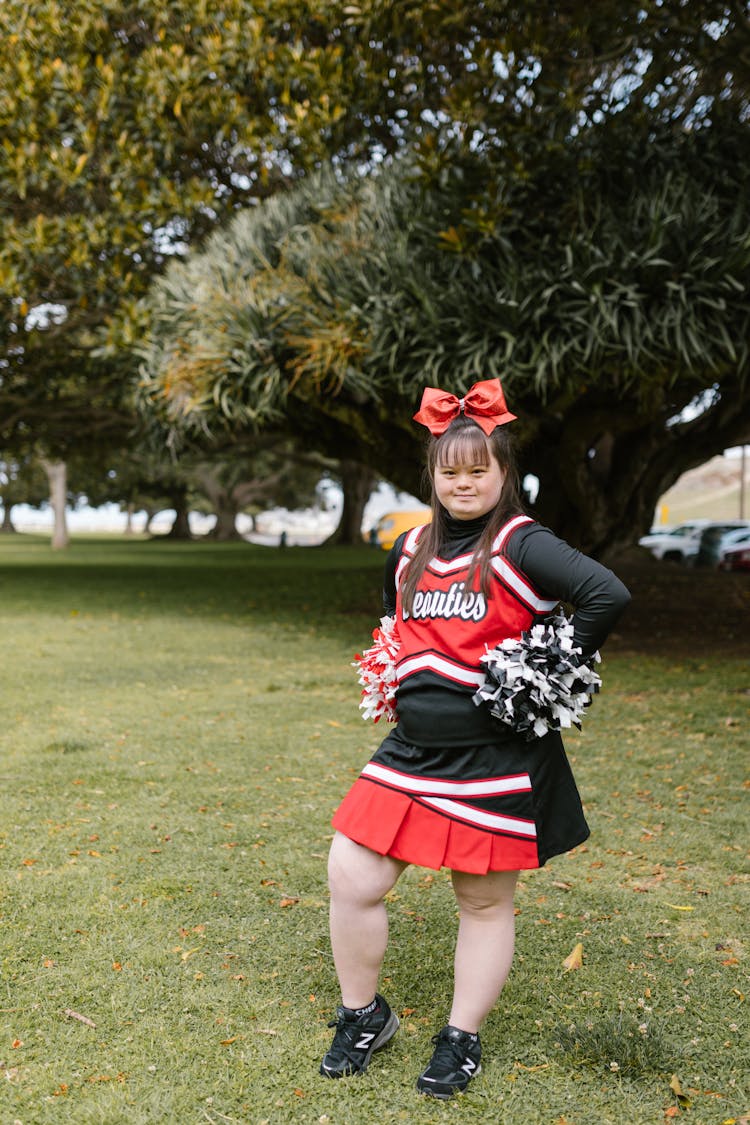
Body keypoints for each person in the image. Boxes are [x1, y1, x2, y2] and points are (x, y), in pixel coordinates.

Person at [319, 379, 631, 1099]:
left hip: (495, 757)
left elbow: (607, 594)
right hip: (412, 752)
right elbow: (397, 628)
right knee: (351, 873)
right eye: (449, 471)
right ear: (432, 475)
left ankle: (460, 1036)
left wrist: (545, 669)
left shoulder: (523, 543)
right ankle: (363, 1015)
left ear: (502, 474)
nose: (463, 482)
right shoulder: (408, 546)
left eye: (478, 470)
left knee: (483, 900)